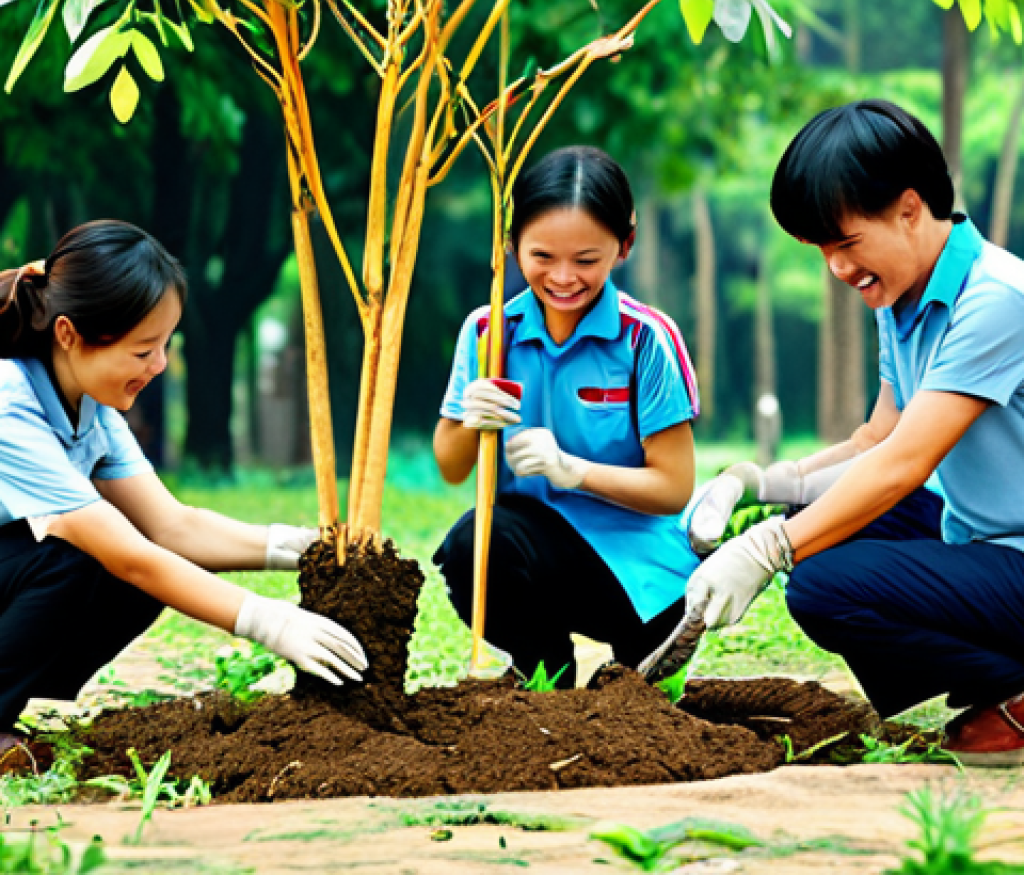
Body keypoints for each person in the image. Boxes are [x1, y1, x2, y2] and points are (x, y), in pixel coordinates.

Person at [651, 99, 1024, 766]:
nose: (836, 268)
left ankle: (1014, 693)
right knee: (822, 523)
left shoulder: (996, 298)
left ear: (910, 209)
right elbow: (875, 442)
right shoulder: (903, 295)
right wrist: (761, 484)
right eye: (821, 249)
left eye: (845, 243)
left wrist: (770, 548)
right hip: (984, 542)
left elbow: (905, 465)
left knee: (823, 582)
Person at [0, 220, 366, 757]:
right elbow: (127, 555)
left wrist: (301, 548)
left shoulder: (91, 403)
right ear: (67, 335)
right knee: (76, 557)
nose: (161, 364)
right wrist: (267, 620)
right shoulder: (11, 403)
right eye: (143, 349)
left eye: (165, 344)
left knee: (137, 557)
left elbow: (172, 527)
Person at [432, 146, 702, 688]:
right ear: (511, 246)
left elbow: (674, 487)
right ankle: (544, 674)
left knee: (640, 690)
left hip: (638, 568)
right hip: (531, 549)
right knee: (471, 547)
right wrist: (470, 418)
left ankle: (641, 670)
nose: (562, 278)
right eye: (541, 257)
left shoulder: (645, 338)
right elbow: (451, 465)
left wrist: (573, 471)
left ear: (623, 245)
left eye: (585, 260)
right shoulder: (489, 333)